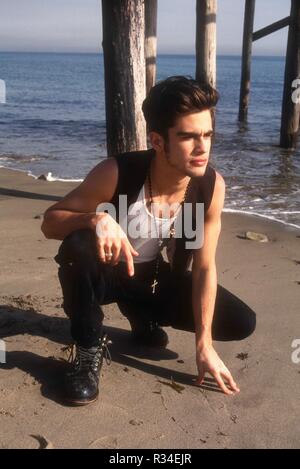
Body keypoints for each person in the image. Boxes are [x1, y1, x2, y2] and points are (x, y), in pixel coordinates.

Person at [41, 76, 256, 406]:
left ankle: (141, 312)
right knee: (79, 245)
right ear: (158, 141)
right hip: (106, 274)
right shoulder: (116, 172)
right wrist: (94, 218)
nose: (202, 148)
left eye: (207, 135)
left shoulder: (210, 187)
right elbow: (51, 223)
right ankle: (87, 349)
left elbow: (204, 268)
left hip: (154, 279)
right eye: (187, 137)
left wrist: (204, 343)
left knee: (242, 321)